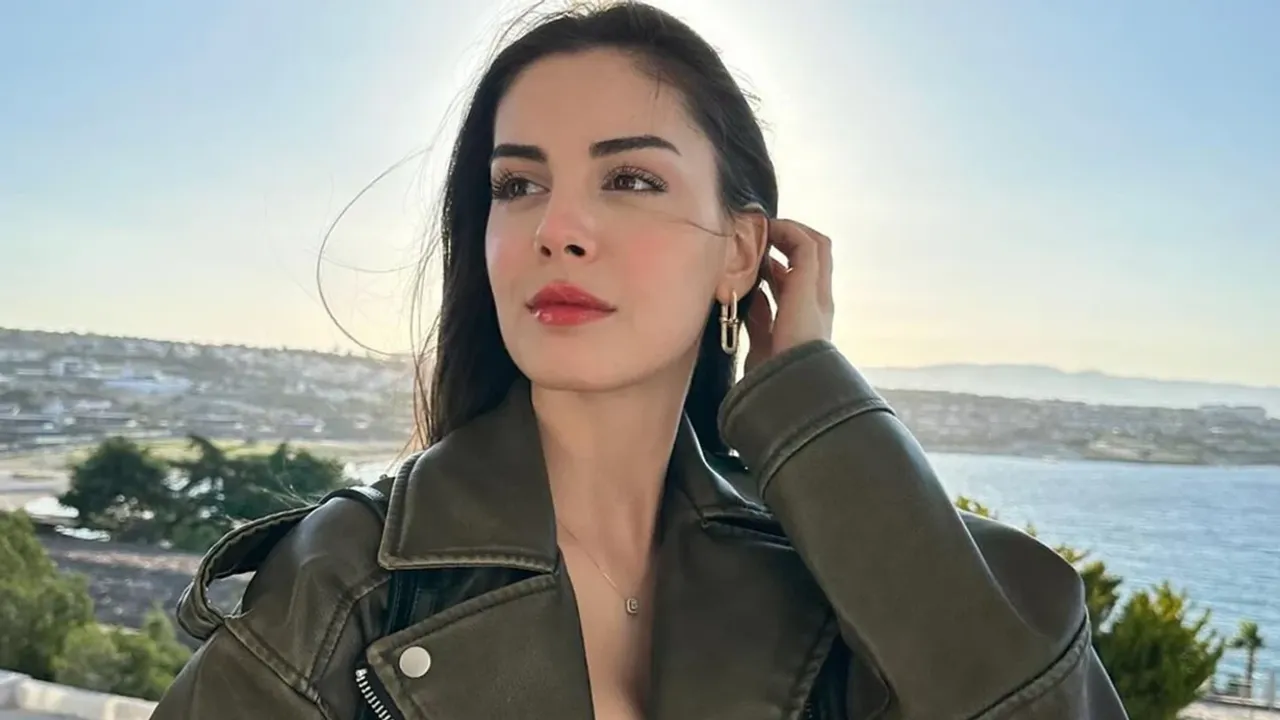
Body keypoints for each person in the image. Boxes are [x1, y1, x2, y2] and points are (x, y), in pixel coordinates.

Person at [153, 3, 1127, 719]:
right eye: (517, 184)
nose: (558, 227)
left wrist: (808, 401)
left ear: (741, 253)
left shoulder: (842, 591)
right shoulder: (348, 584)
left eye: (628, 178)